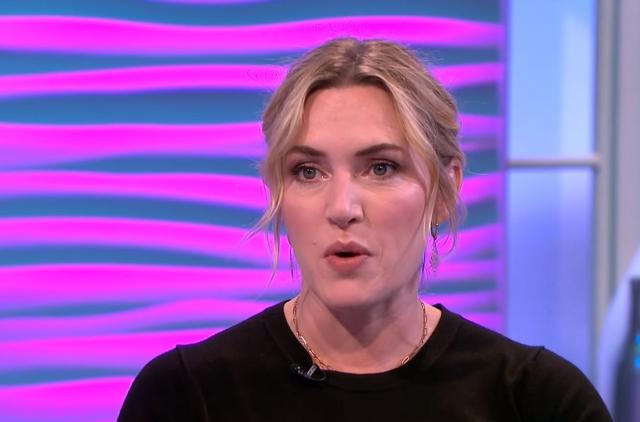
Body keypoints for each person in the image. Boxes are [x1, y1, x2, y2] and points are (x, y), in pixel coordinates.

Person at [118, 38, 612, 421]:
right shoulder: (187, 395)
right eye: (308, 172)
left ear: (445, 190)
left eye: (380, 168)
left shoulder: (538, 400)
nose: (342, 208)